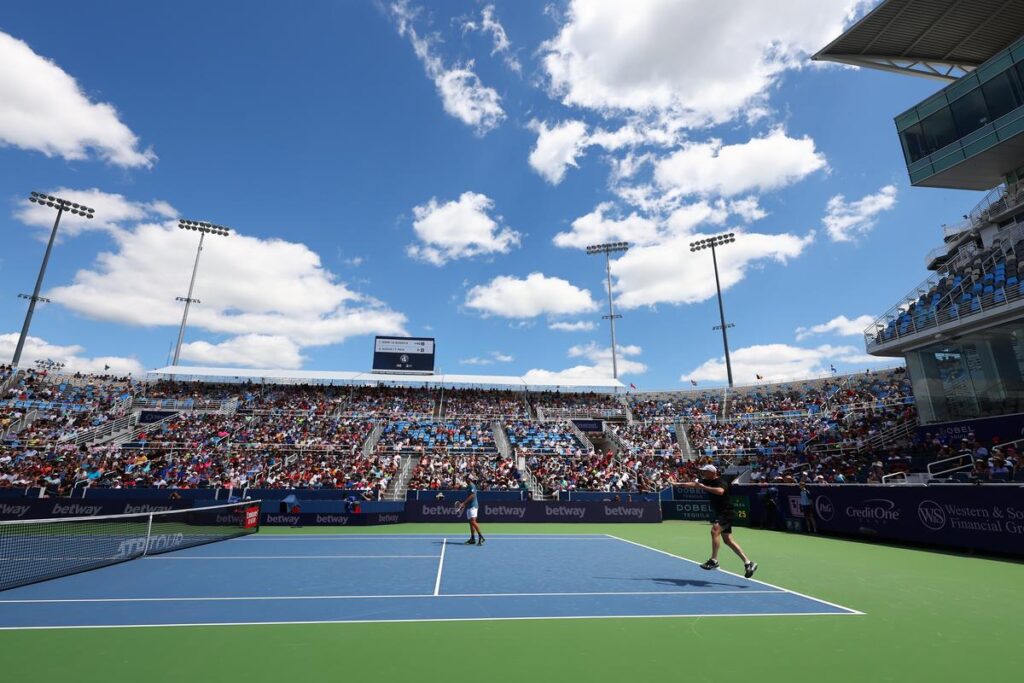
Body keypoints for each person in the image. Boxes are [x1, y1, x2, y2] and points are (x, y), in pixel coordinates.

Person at [674, 464, 756, 578]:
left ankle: (714, 561)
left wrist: (703, 487)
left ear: (712, 472)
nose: (703, 473)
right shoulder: (706, 480)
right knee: (728, 540)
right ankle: (748, 563)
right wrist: (678, 484)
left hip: (727, 512)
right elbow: (694, 484)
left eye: (705, 471)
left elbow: (720, 491)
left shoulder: (721, 481)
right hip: (721, 513)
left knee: (714, 530)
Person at [454, 478, 485, 546]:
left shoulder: (472, 485)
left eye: (467, 479)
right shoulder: (468, 486)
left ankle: (481, 537)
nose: (466, 480)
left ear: (470, 479)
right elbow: (468, 496)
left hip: (473, 506)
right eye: (466, 479)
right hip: (469, 506)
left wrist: (464, 503)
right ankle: (473, 539)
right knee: (471, 523)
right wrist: (464, 505)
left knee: (473, 521)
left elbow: (472, 495)